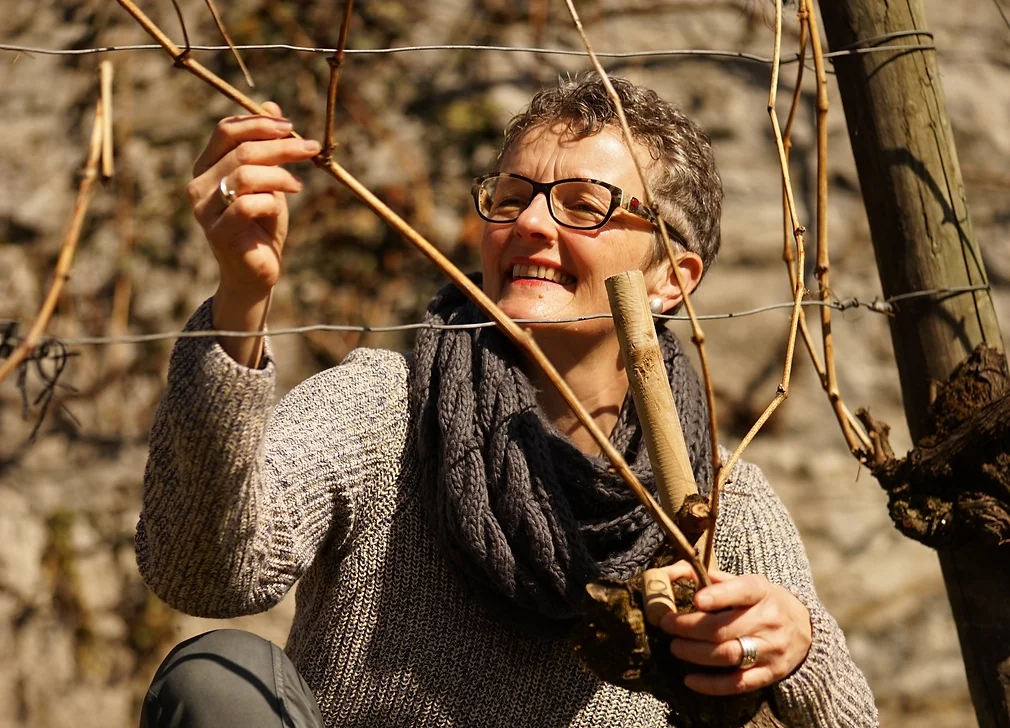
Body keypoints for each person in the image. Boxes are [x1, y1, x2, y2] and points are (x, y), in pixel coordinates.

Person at [137, 75, 878, 727]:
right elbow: (202, 573)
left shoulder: (724, 505)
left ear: (671, 279)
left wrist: (797, 649)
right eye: (512, 197)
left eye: (584, 206)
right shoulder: (380, 410)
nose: (528, 224)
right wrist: (241, 296)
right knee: (220, 676)